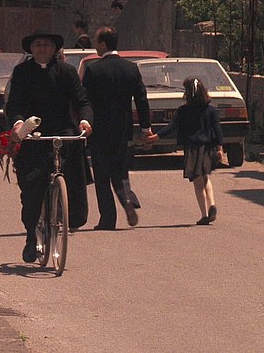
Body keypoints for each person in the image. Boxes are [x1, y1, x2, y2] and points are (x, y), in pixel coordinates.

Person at [6, 29, 93, 263]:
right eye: (37, 45)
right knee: (32, 189)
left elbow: (82, 100)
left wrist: (85, 121)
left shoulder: (67, 71)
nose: (42, 48)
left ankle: (69, 214)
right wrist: (18, 124)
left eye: (46, 44)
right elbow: (14, 104)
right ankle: (31, 237)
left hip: (62, 130)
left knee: (73, 169)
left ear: (54, 49)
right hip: (33, 135)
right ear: (31, 49)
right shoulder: (22, 72)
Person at [82, 26, 151, 230]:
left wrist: (85, 122)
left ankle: (108, 219)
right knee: (120, 170)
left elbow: (86, 101)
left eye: (96, 42)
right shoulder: (131, 68)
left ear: (103, 44)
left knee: (102, 175)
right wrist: (145, 127)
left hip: (99, 130)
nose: (95, 46)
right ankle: (127, 198)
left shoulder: (93, 70)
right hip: (123, 129)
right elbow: (141, 99)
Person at [146, 78, 223, 225]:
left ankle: (204, 214)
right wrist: (220, 148)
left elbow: (171, 127)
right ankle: (212, 204)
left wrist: (156, 136)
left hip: (192, 148)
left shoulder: (183, 111)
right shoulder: (211, 110)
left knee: (197, 181)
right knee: (205, 177)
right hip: (207, 147)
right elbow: (217, 129)